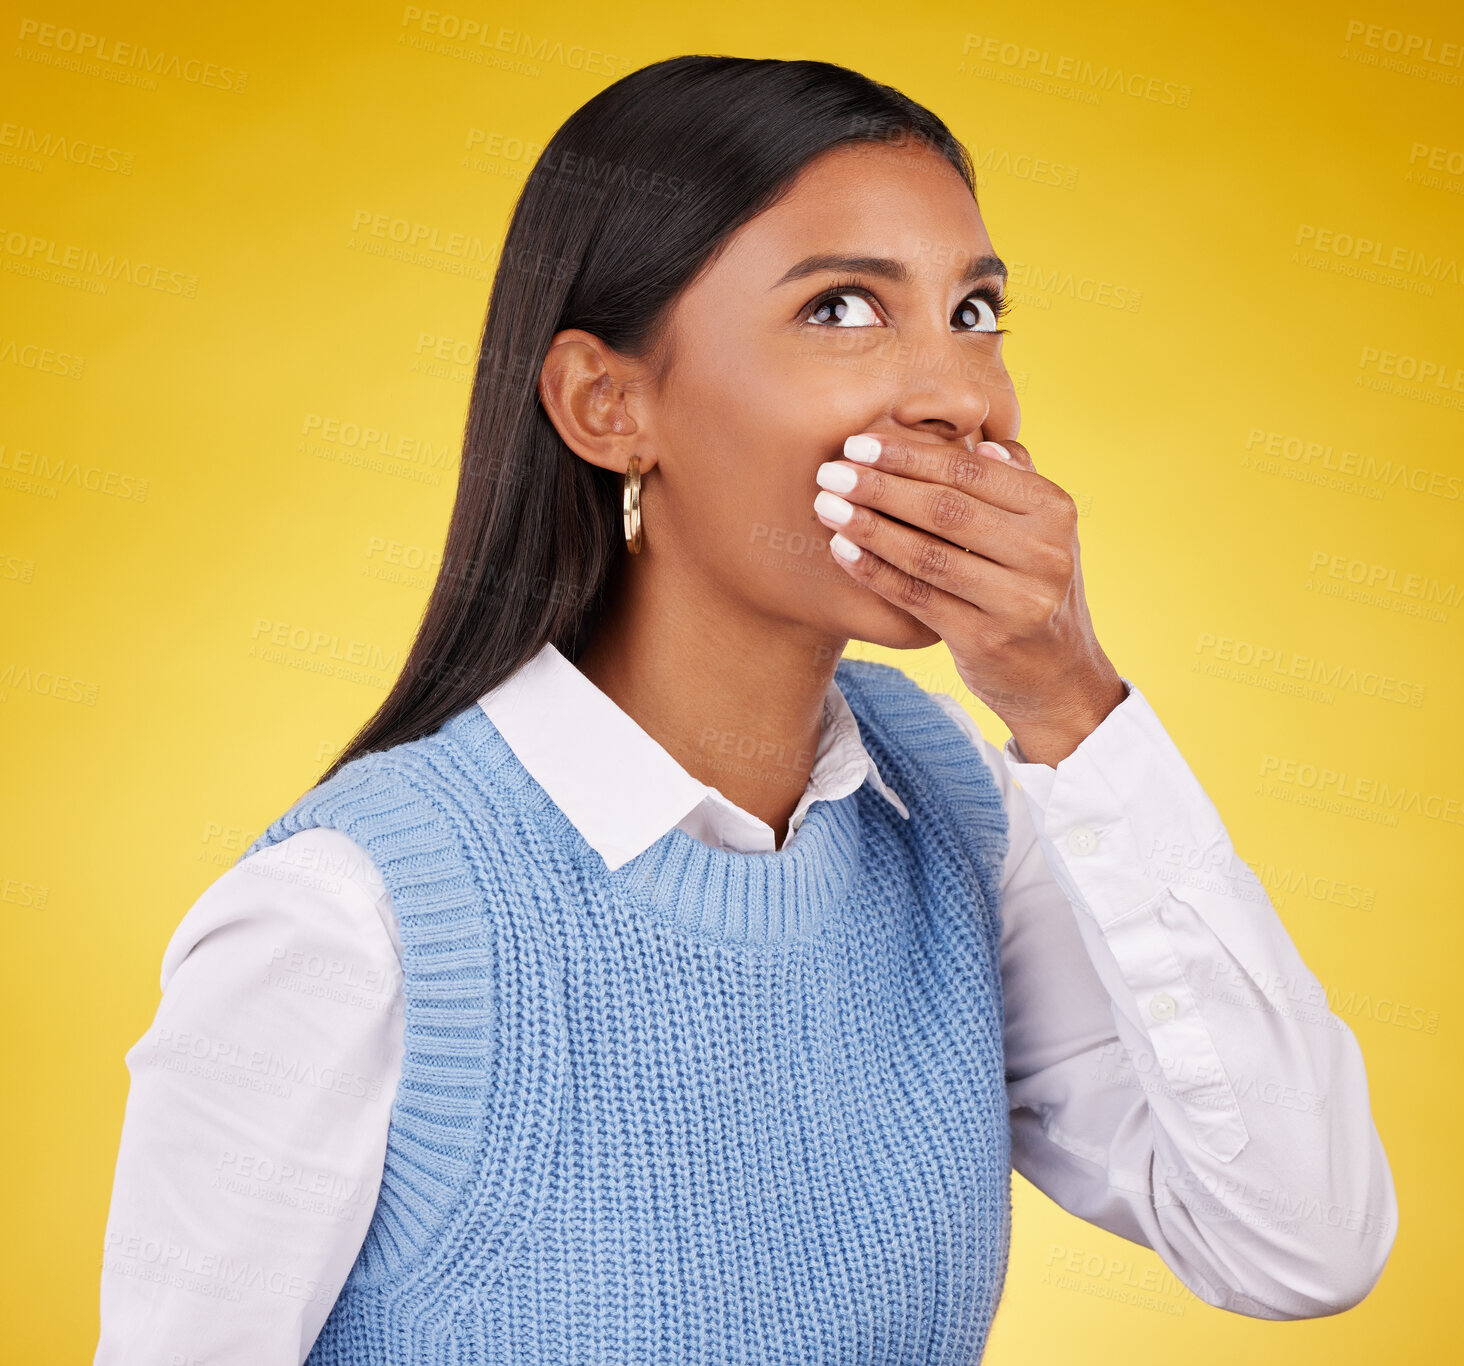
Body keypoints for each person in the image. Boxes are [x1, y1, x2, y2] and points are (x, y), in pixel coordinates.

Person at [94, 55, 1397, 1365]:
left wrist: (1072, 703)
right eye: (841, 309)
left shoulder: (950, 808)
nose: (958, 394)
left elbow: (1299, 1239)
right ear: (609, 405)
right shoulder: (351, 923)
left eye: (976, 310)